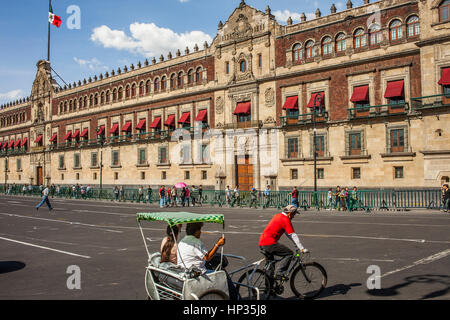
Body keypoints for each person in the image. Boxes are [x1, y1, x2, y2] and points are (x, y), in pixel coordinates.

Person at [177, 222, 238, 300]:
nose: (201, 232)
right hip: (196, 273)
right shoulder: (196, 242)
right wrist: (218, 244)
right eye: (200, 230)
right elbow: (207, 257)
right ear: (196, 231)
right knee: (223, 275)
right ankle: (235, 297)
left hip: (184, 270)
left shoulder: (182, 241)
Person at [259, 205, 308, 279]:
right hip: (270, 243)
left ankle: (269, 288)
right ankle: (280, 272)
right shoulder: (285, 219)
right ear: (290, 213)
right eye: (294, 214)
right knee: (289, 254)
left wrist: (295, 244)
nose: (293, 217)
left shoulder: (278, 216)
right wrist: (302, 248)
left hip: (262, 243)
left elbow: (288, 234)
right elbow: (293, 235)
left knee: (270, 267)